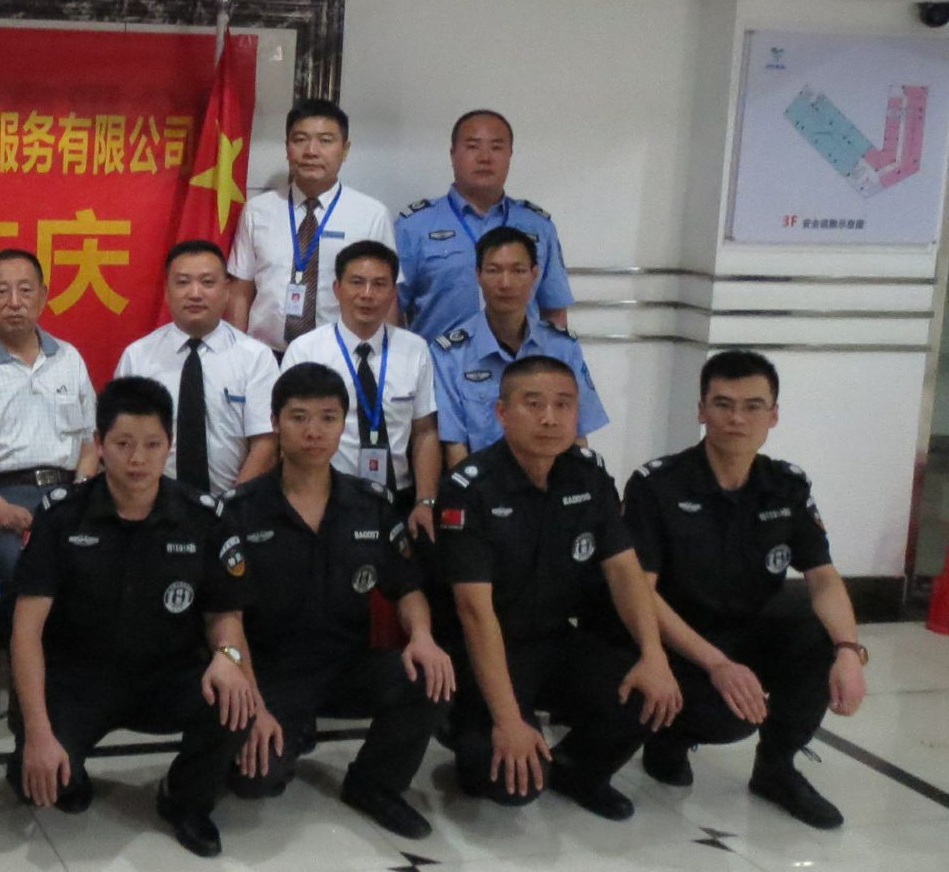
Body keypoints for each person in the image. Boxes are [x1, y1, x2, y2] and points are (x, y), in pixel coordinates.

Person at [8, 376, 258, 859]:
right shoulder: (61, 517)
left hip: (168, 675)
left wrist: (228, 657)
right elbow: (26, 630)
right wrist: (38, 733)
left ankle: (184, 798)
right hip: (79, 680)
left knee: (235, 697)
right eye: (123, 444)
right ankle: (67, 769)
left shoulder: (202, 517)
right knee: (35, 780)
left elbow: (224, 615)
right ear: (99, 445)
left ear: (170, 445)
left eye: (152, 445)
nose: (137, 459)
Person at [621, 350, 866, 829]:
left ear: (774, 415)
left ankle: (776, 769)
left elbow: (823, 577)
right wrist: (717, 664)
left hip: (747, 627)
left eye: (753, 406)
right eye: (723, 404)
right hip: (677, 642)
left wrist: (848, 651)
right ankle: (669, 737)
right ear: (701, 410)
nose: (738, 419)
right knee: (727, 718)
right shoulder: (658, 485)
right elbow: (640, 593)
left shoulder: (786, 485)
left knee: (816, 631)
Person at [438, 356, 681, 820]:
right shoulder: (470, 488)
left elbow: (625, 572)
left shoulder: (588, 475)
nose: (549, 418)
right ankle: (463, 728)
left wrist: (654, 654)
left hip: (555, 639)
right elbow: (474, 612)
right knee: (507, 785)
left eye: (563, 405)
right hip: (487, 648)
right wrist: (508, 721)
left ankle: (579, 771)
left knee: (648, 690)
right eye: (533, 404)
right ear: (502, 413)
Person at [223, 363, 453, 840]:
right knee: (255, 783)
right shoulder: (242, 510)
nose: (314, 432)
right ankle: (287, 732)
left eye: (328, 418)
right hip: (272, 674)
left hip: (348, 665)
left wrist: (423, 637)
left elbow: (407, 587)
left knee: (429, 678)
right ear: (275, 422)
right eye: (299, 417)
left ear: (343, 424)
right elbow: (227, 615)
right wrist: (254, 702)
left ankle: (375, 785)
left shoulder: (369, 503)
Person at [0, 247, 99, 620]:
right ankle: (20, 652)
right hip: (2, 499)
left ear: (43, 296)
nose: (14, 302)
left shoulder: (69, 358)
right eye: (2, 291)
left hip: (70, 494)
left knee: (99, 559)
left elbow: (89, 444)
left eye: (25, 290)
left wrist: (79, 495)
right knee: (20, 565)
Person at [280, 241, 440, 518]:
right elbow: (287, 434)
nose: (367, 294)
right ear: (337, 289)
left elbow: (424, 432)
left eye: (379, 285)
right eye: (357, 282)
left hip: (399, 497)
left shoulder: (415, 349)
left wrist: (425, 502)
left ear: (393, 293)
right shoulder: (305, 350)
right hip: (328, 498)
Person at [228, 98, 397, 351]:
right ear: (287, 147)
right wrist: (235, 354)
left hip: (338, 355)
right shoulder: (257, 211)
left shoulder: (371, 215)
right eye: (300, 140)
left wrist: (383, 358)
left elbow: (386, 298)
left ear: (345, 149)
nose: (311, 151)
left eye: (325, 141)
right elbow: (241, 292)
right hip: (265, 355)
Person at [431, 226, 607, 465]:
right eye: (494, 270)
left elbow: (578, 432)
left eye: (518, 270)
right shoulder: (450, 354)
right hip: (484, 481)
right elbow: (455, 446)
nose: (506, 283)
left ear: (534, 274)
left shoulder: (561, 347)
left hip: (553, 479)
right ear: (478, 275)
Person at [115, 240, 279, 496]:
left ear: (226, 290)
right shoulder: (138, 357)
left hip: (235, 504)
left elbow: (265, 443)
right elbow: (121, 439)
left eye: (207, 282)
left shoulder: (255, 357)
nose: (195, 293)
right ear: (167, 291)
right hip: (154, 505)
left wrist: (231, 505)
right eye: (182, 282)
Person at [394, 110, 572, 341]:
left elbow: (554, 311)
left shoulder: (538, 226)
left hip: (519, 362)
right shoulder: (414, 226)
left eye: (496, 147)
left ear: (510, 155)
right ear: (452, 154)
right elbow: (392, 307)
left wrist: (551, 361)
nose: (485, 157)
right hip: (439, 362)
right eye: (472, 146)